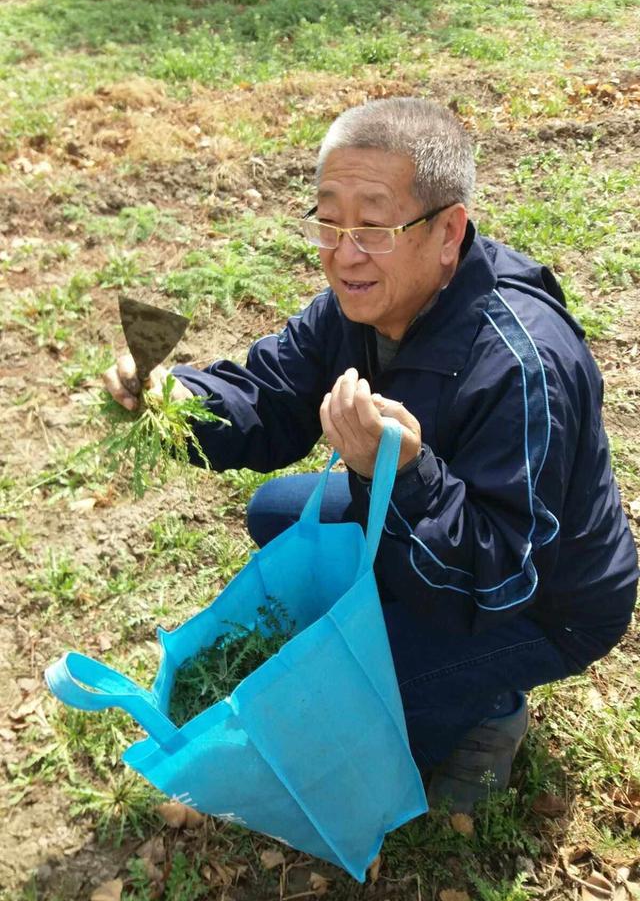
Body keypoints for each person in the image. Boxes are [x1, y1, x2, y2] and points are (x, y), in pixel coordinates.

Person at [104, 97, 638, 812]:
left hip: (547, 603)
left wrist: (406, 477)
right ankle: (407, 645)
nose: (344, 252)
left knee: (338, 728)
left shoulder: (522, 364)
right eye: (329, 220)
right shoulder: (358, 306)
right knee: (278, 515)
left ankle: (493, 705)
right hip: (438, 528)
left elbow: (503, 578)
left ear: (449, 232)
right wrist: (179, 397)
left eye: (374, 226)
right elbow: (269, 395)